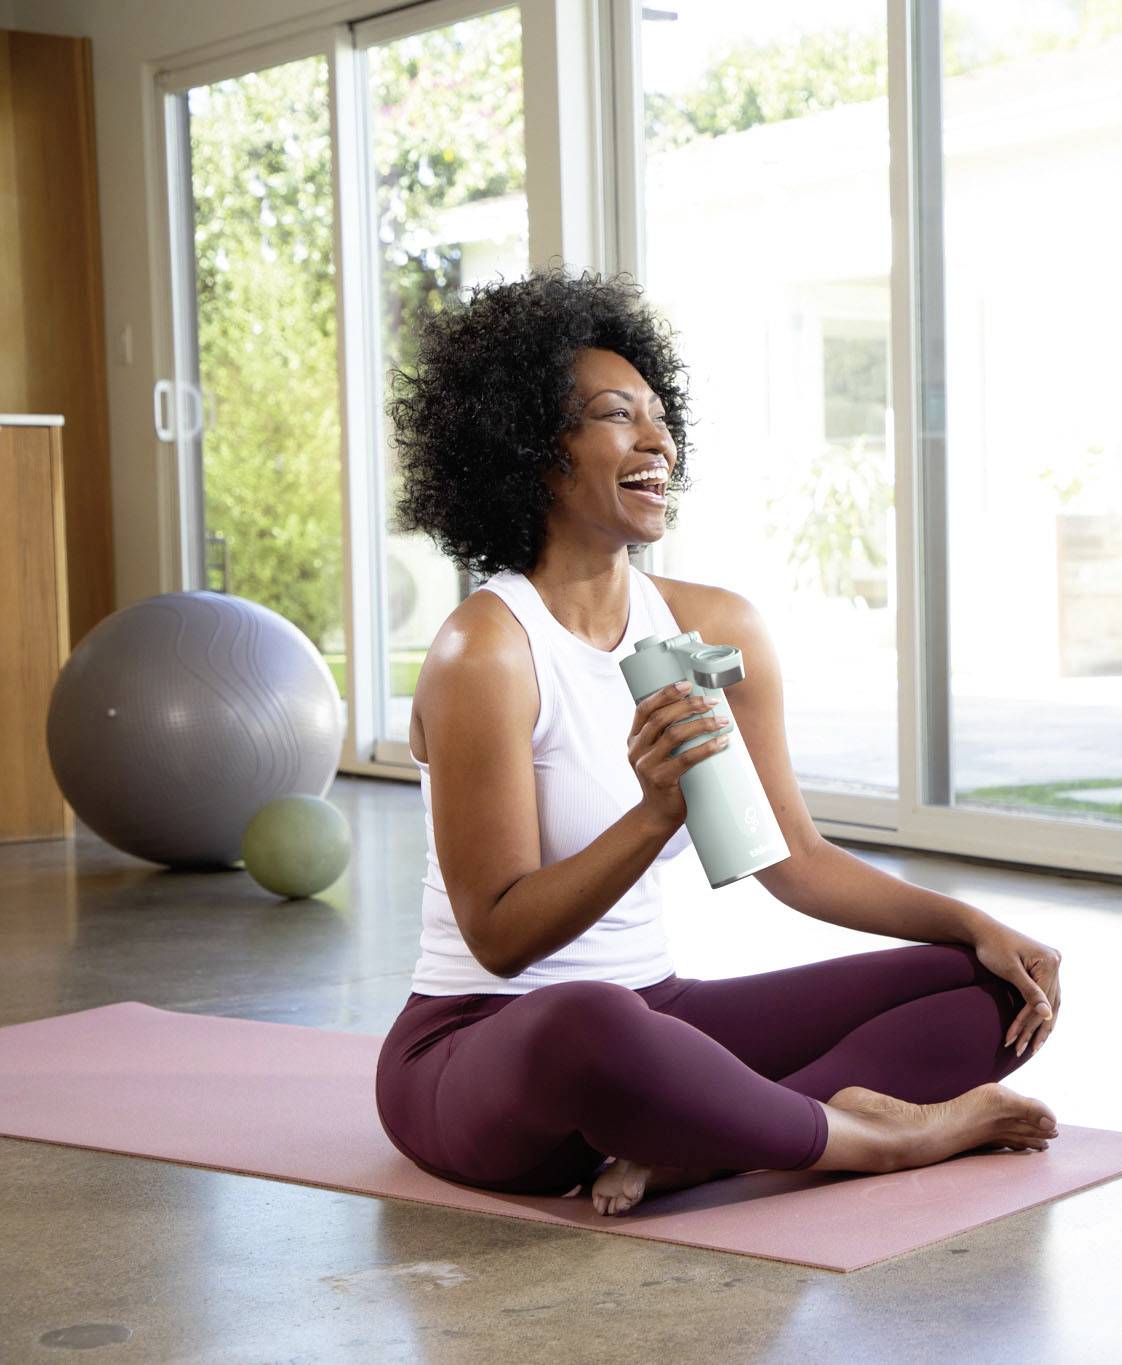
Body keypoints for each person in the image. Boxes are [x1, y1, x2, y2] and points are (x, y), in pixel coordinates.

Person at [374, 269, 1062, 1217]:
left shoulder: (710, 628)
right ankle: (869, 1137)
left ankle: (698, 1143)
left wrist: (972, 923)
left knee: (976, 986)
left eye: (660, 417)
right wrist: (658, 812)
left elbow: (796, 862)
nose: (658, 441)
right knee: (593, 1018)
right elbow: (498, 939)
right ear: (536, 452)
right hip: (486, 1047)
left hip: (661, 1015)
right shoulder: (487, 650)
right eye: (618, 417)